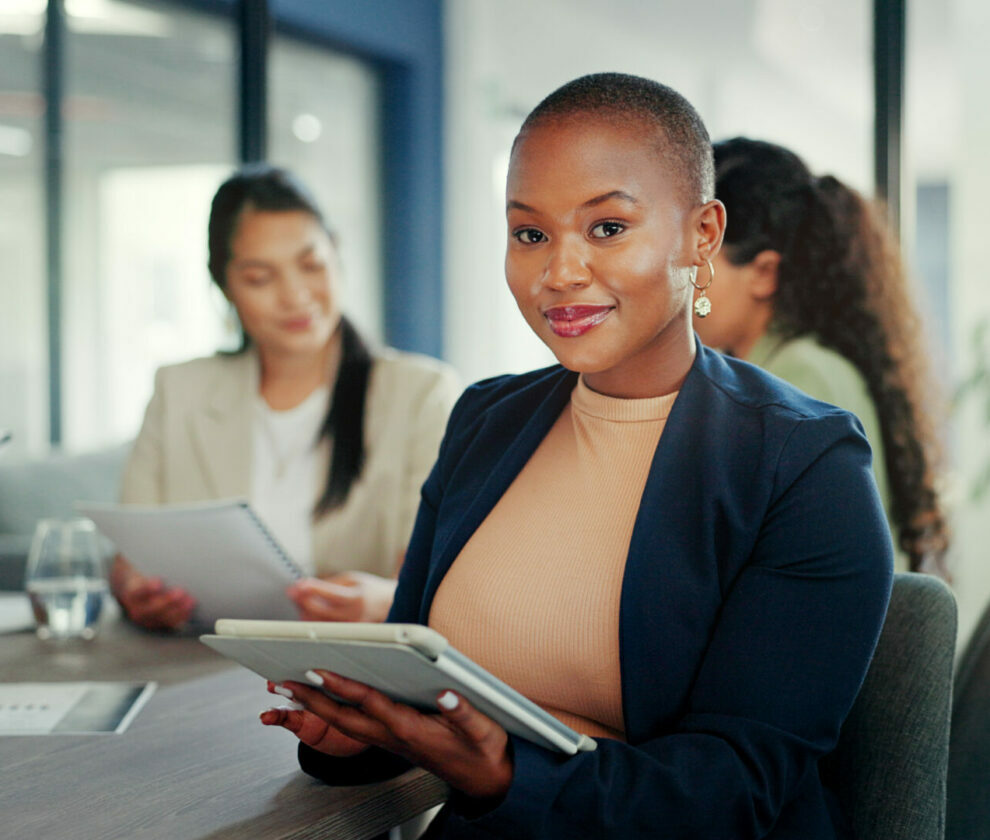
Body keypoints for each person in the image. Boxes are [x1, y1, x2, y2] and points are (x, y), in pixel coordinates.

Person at [258, 74, 892, 839]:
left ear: (703, 234)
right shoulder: (487, 418)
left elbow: (737, 786)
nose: (559, 273)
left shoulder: (805, 461)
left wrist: (508, 776)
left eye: (607, 228)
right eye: (530, 234)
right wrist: (362, 737)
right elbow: (418, 676)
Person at [110, 165, 460, 630]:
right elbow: (129, 556)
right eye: (260, 278)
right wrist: (136, 591)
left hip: (347, 663)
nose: (295, 296)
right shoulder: (179, 392)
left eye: (311, 265)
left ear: (337, 256)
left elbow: (444, 572)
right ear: (224, 286)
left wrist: (385, 601)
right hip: (202, 656)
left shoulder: (420, 394)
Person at [693, 137, 948, 575]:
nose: (680, 284)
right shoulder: (793, 366)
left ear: (764, 273)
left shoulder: (799, 378)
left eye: (699, 262)